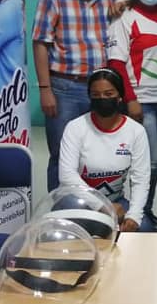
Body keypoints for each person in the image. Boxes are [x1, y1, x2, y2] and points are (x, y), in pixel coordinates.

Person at [33, 0, 118, 191]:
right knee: (63, 156)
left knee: (96, 155)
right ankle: (61, 209)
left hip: (99, 90)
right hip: (64, 89)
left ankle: (93, 207)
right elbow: (40, 42)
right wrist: (45, 89)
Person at [107, 0, 157, 233]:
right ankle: (136, 212)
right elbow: (116, 63)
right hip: (142, 101)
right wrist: (130, 99)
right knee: (148, 162)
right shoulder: (125, 18)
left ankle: (143, 209)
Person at [59, 68, 150, 233]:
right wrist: (103, 206)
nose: (102, 99)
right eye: (96, 95)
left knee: (145, 228)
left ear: (120, 96)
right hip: (77, 201)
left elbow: (141, 178)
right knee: (83, 228)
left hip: (117, 202)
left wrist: (134, 216)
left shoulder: (136, 131)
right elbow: (67, 175)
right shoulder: (75, 128)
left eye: (108, 94)